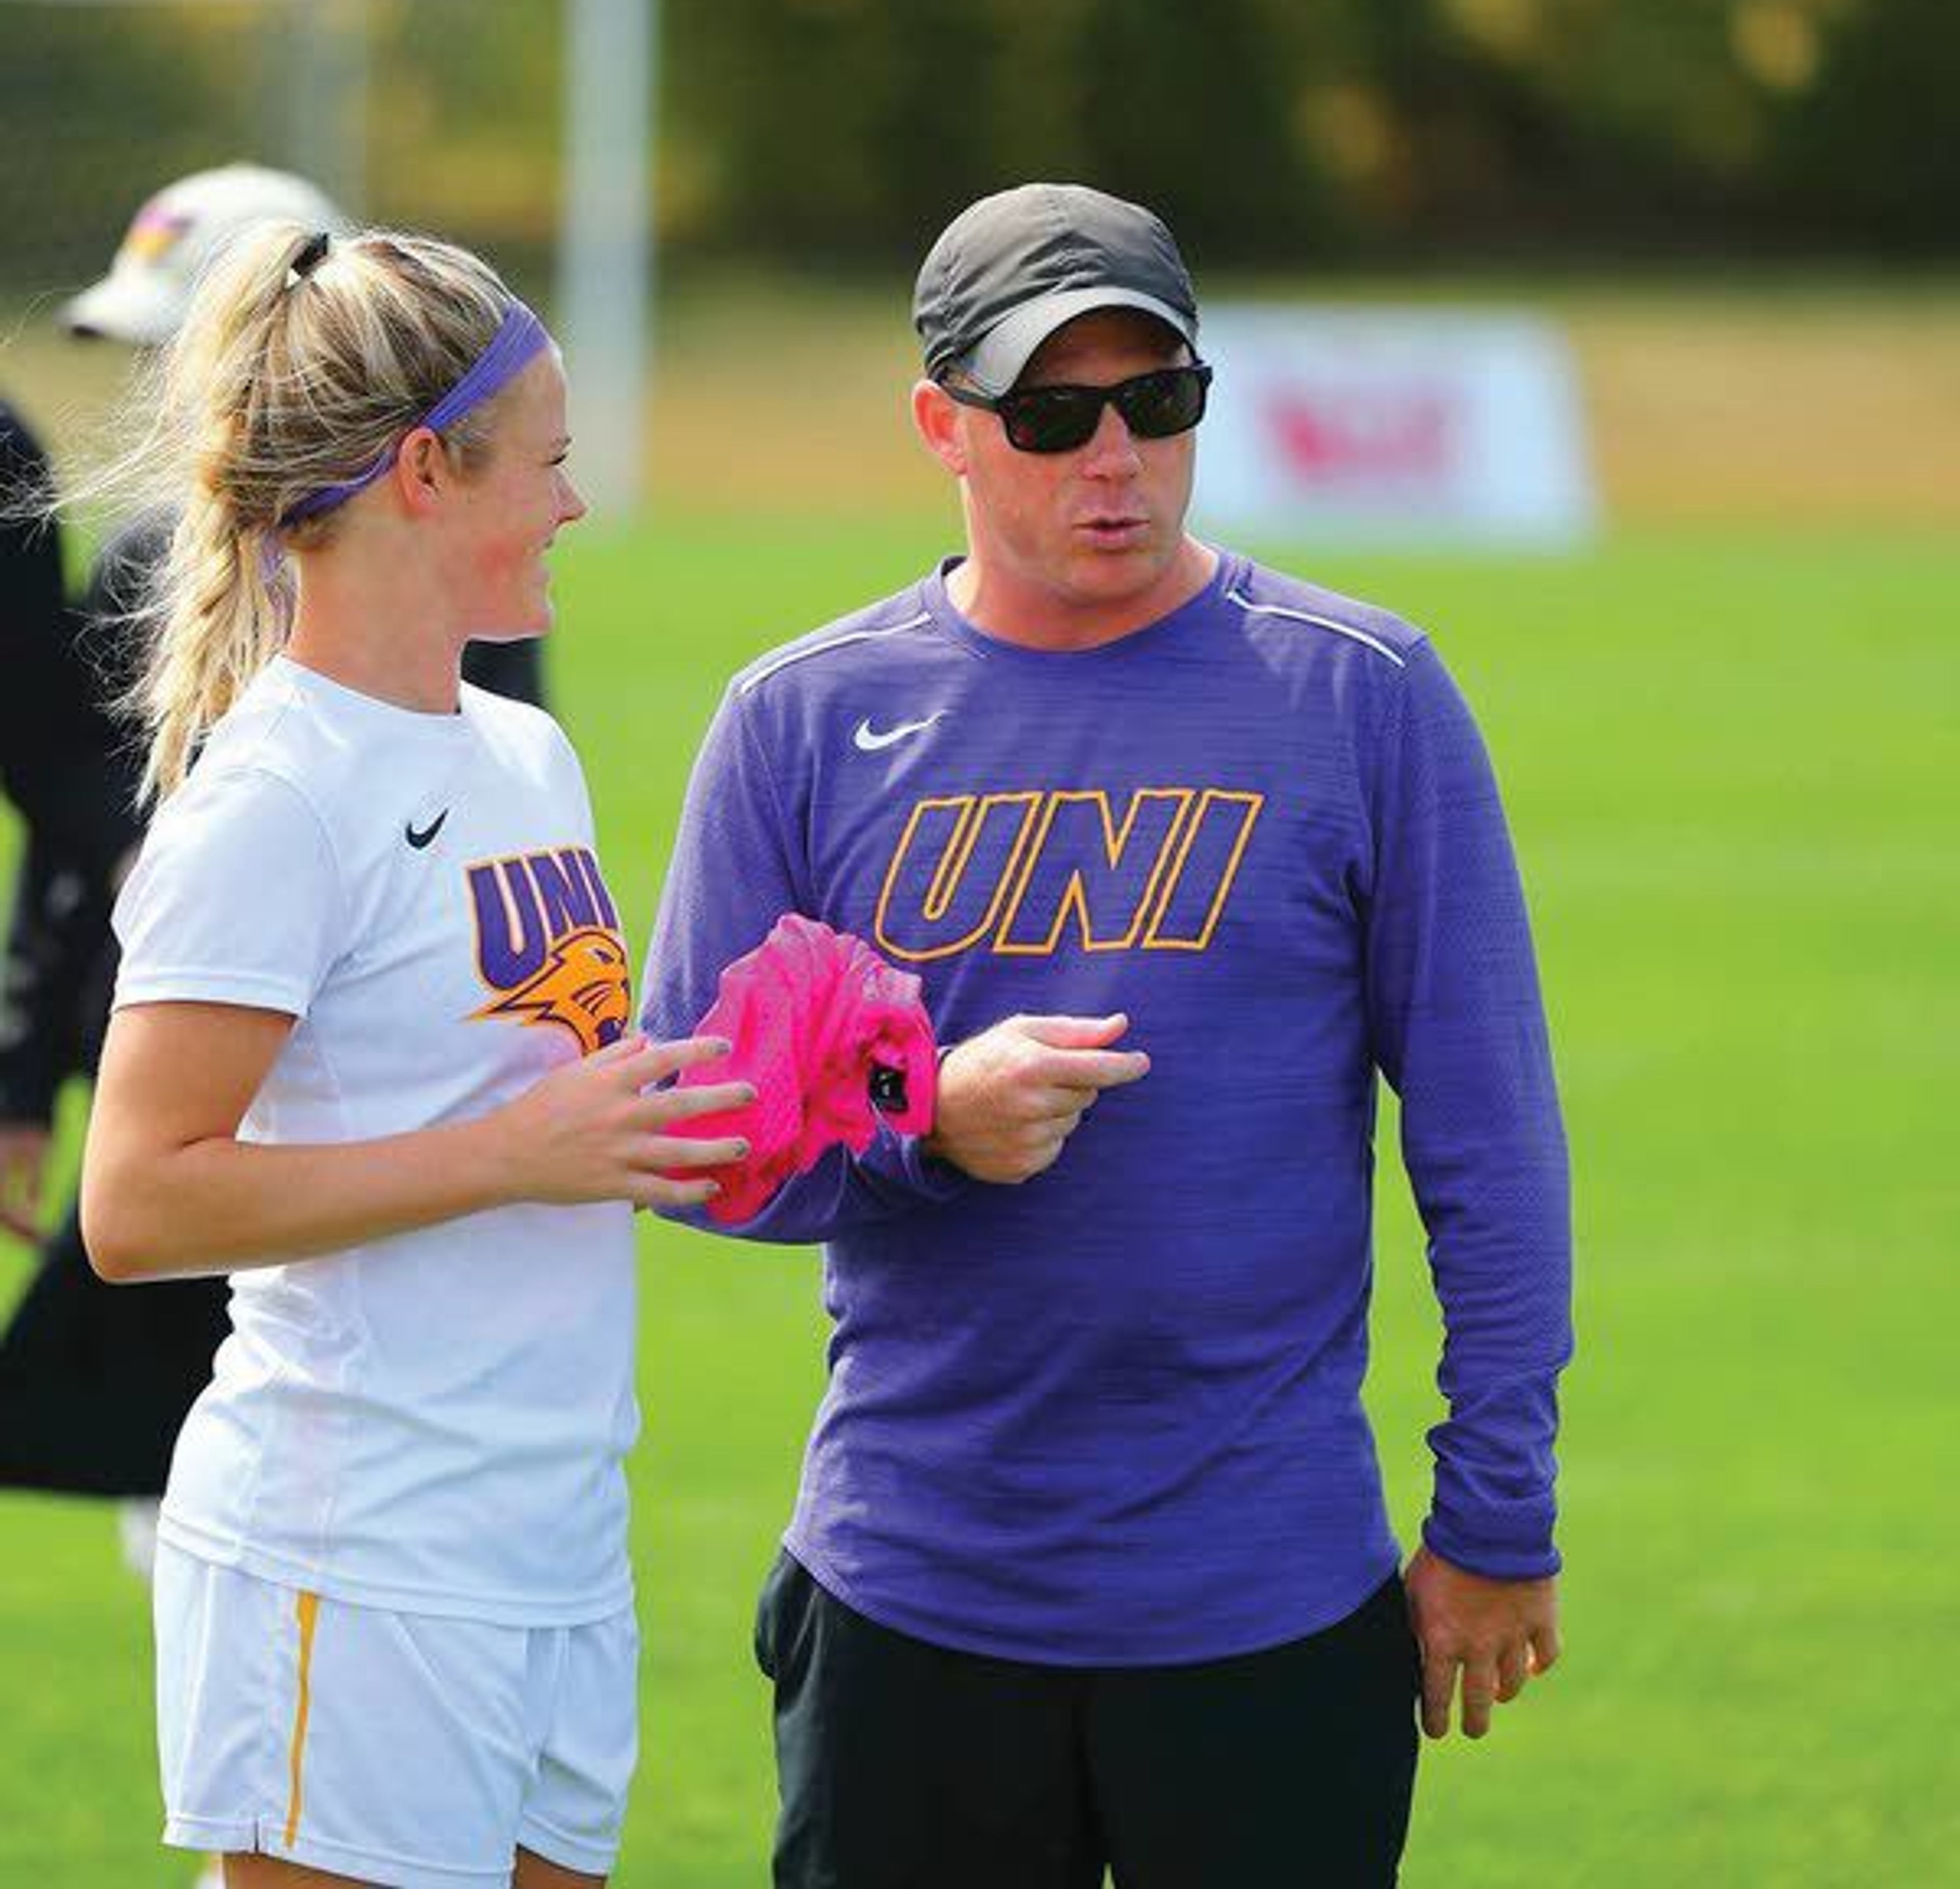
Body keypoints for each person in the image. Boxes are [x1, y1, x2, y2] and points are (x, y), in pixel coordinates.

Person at [640, 182, 1574, 1887]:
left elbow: (1490, 1137)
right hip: (913, 1596)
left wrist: (1497, 1508)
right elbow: (703, 1152)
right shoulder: (802, 717)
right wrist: (926, 1127)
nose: (1116, 461)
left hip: (1270, 1603)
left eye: (1160, 403)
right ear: (944, 424)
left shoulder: (1360, 692)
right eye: (1053, 415)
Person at [77, 218, 750, 1887]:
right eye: (552, 464)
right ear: (425, 474)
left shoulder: (524, 751)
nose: (577, 504)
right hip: (355, 1554)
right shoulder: (275, 796)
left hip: (553, 1540)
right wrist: (514, 1159)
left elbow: (529, 1094)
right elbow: (138, 1204)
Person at [0, 164, 548, 1569]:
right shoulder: (208, 675)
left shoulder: (473, 638)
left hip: (446, 1386)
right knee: (192, 1509)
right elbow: (91, 844)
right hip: (223, 1114)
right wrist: (22, 1070)